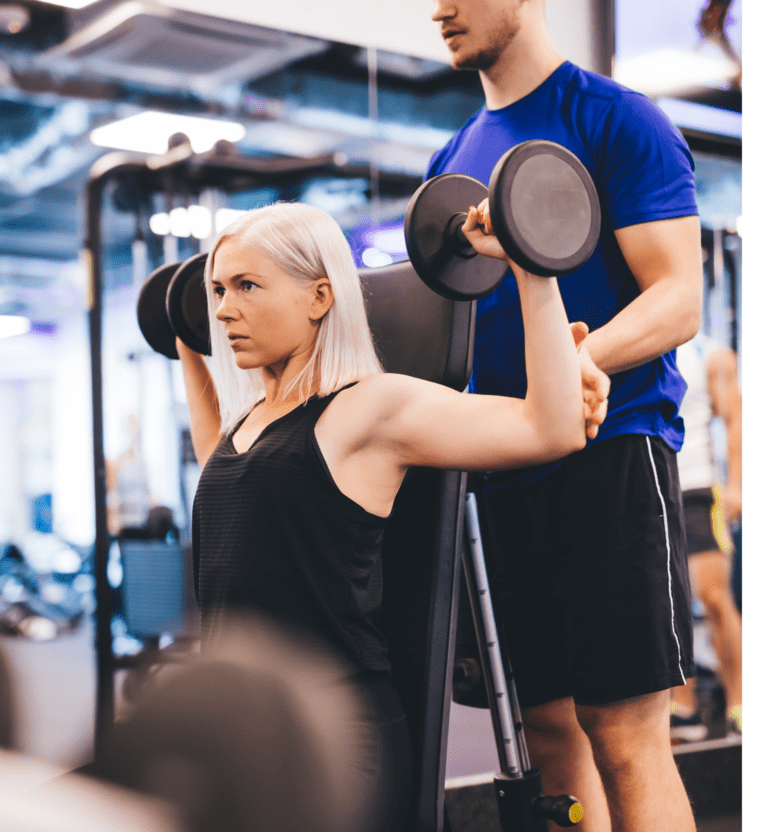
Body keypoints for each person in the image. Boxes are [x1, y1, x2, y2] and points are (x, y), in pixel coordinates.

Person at [175, 200, 609, 832]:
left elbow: (551, 427)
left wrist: (531, 268)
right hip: (249, 726)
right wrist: (187, 344)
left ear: (319, 296)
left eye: (246, 286)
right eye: (217, 290)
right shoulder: (246, 424)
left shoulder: (367, 409)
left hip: (333, 736)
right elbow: (222, 468)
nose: (221, 310)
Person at [428, 2, 703, 831]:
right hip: (500, 472)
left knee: (625, 737)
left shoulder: (617, 119)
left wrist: (582, 362)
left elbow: (678, 296)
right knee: (546, 733)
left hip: (610, 455)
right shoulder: (452, 157)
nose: (439, 9)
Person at [670, 331, 742, 740]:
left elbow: (736, 419)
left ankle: (741, 703)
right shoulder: (641, 346)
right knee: (668, 603)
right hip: (655, 488)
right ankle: (684, 708)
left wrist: (737, 486)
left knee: (714, 597)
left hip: (700, 489)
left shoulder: (710, 354)